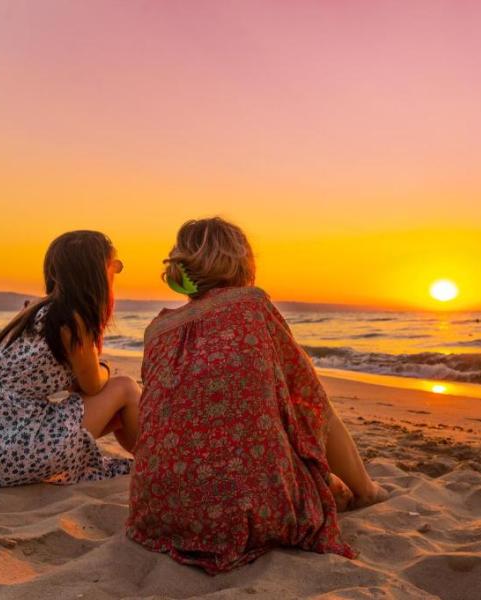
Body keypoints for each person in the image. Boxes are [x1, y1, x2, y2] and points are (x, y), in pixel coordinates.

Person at [126, 217, 387, 574]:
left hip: (155, 513)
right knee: (323, 453)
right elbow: (311, 404)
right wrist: (358, 486)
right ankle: (369, 492)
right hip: (244, 511)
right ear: (241, 260)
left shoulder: (157, 328)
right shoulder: (252, 304)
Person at [0, 231, 140, 487]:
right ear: (96, 273)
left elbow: (64, 385)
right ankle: (154, 463)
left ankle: (147, 461)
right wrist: (105, 368)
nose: (115, 273)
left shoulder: (35, 310)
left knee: (117, 411)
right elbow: (93, 386)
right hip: (9, 454)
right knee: (126, 388)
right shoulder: (72, 320)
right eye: (114, 266)